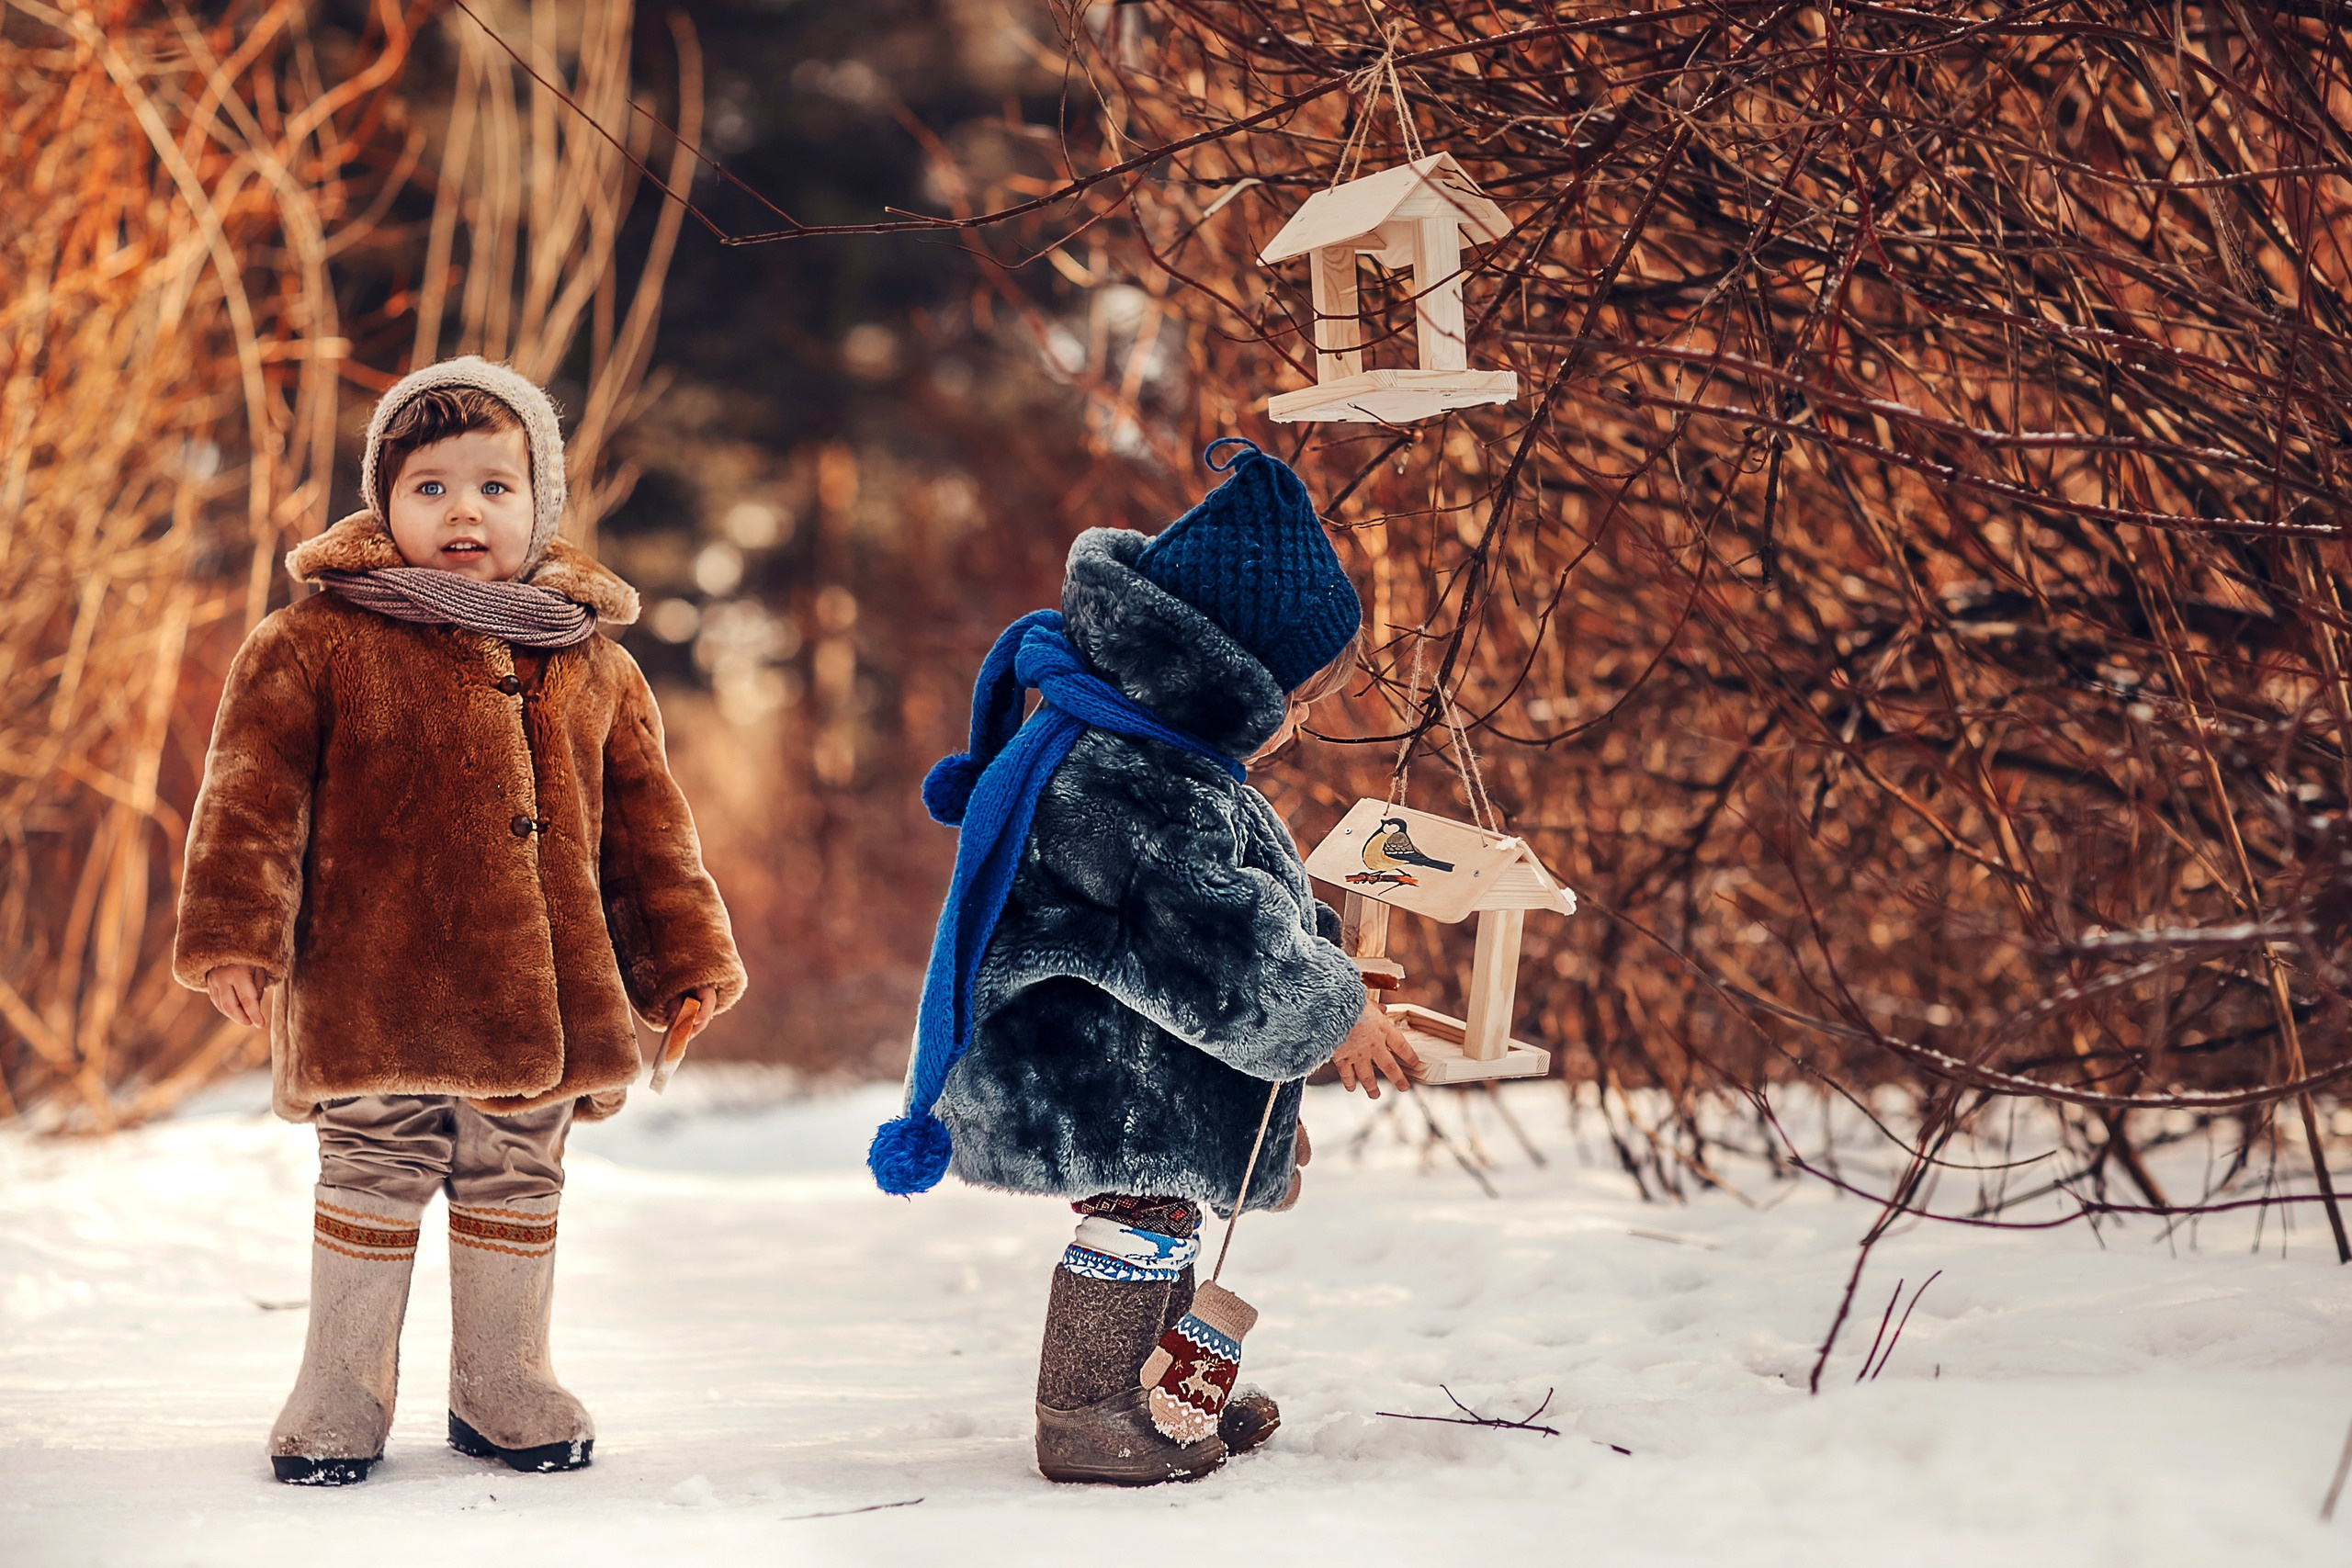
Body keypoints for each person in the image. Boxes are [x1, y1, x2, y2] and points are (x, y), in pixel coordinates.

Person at [175, 356, 744, 1485]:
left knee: (519, 1169)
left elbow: (647, 835)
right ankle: (340, 1388)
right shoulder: (312, 642)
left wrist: (680, 959)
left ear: (541, 505)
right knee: (374, 1162)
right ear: (383, 503)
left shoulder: (593, 662)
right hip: (372, 979)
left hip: (543, 990)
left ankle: (502, 1382)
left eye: (495, 486)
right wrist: (236, 934)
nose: (464, 511)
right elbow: (247, 800)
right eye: (429, 487)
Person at [867, 437, 1420, 1484]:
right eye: (1294, 703)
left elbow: (1241, 902)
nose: (1296, 728)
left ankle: (1155, 1397)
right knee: (1141, 1212)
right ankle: (1086, 1413)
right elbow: (1209, 930)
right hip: (1089, 1064)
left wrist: (1323, 961)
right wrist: (1332, 1012)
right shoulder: (1132, 775)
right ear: (1231, 679)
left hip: (1128, 1057)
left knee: (1158, 1209)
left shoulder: (1142, 749)